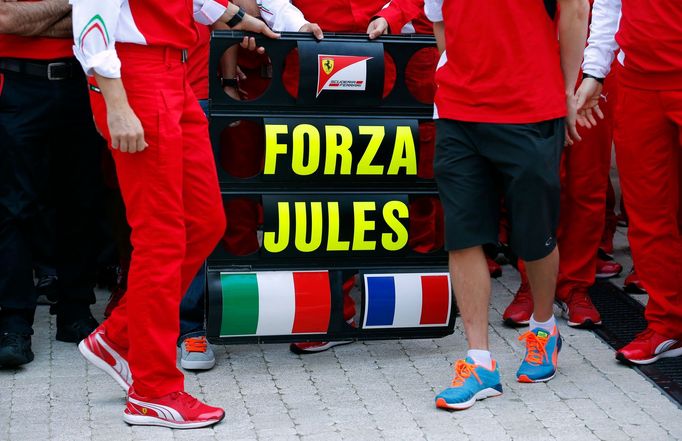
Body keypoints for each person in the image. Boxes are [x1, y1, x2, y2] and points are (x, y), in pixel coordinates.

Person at [71, 0, 278, 428]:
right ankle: (152, 391)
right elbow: (89, 22)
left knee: (205, 222)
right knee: (159, 238)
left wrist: (259, 22)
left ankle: (119, 335)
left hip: (175, 76)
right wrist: (116, 103)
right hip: (136, 77)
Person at [257, 0, 444, 354]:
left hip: (385, 60)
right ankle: (324, 314)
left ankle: (403, 305)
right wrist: (295, 22)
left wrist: (389, 16)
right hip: (310, 55)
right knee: (314, 196)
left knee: (396, 189)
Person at [426, 0, 589, 410]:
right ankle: (479, 361)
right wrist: (458, 77)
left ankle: (543, 327)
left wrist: (568, 92)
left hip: (531, 107)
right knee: (463, 235)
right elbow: (439, 21)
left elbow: (575, 12)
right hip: (458, 111)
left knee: (534, 236)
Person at [577, 0, 682, 365]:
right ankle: (666, 324)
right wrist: (594, 71)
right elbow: (609, 4)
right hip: (640, 83)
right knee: (648, 213)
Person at [0, 0, 102, 368]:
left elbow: (101, 18)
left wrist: (35, 20)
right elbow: (6, 19)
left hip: (80, 83)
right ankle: (14, 324)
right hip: (14, 85)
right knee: (14, 208)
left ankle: (75, 312)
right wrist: (75, 3)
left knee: (82, 201)